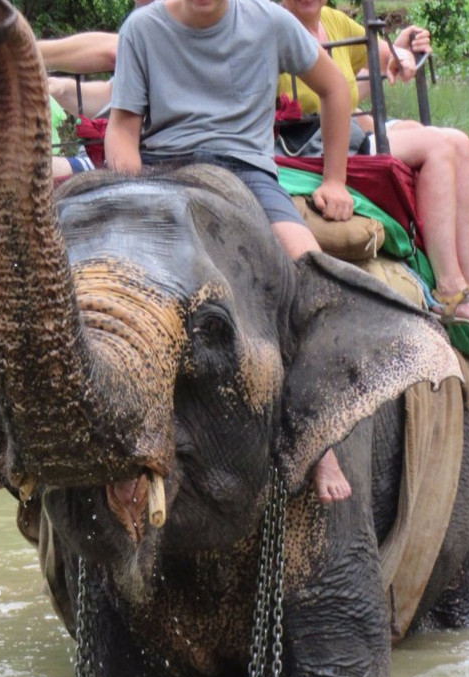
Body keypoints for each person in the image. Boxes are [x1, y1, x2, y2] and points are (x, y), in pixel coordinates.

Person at [105, 0, 355, 502]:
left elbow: (334, 88)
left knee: (312, 277)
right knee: (85, 282)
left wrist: (335, 180)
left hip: (247, 176)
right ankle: (35, 438)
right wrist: (132, 197)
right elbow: (123, 129)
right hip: (164, 172)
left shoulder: (270, 21)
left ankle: (320, 440)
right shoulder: (143, 28)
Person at [278, 0, 469, 320]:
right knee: (437, 147)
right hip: (315, 146)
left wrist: (401, 52)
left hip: (351, 132)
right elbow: (327, 95)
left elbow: (379, 64)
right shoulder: (271, 27)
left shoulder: (334, 22)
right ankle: (452, 285)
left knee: (458, 141)